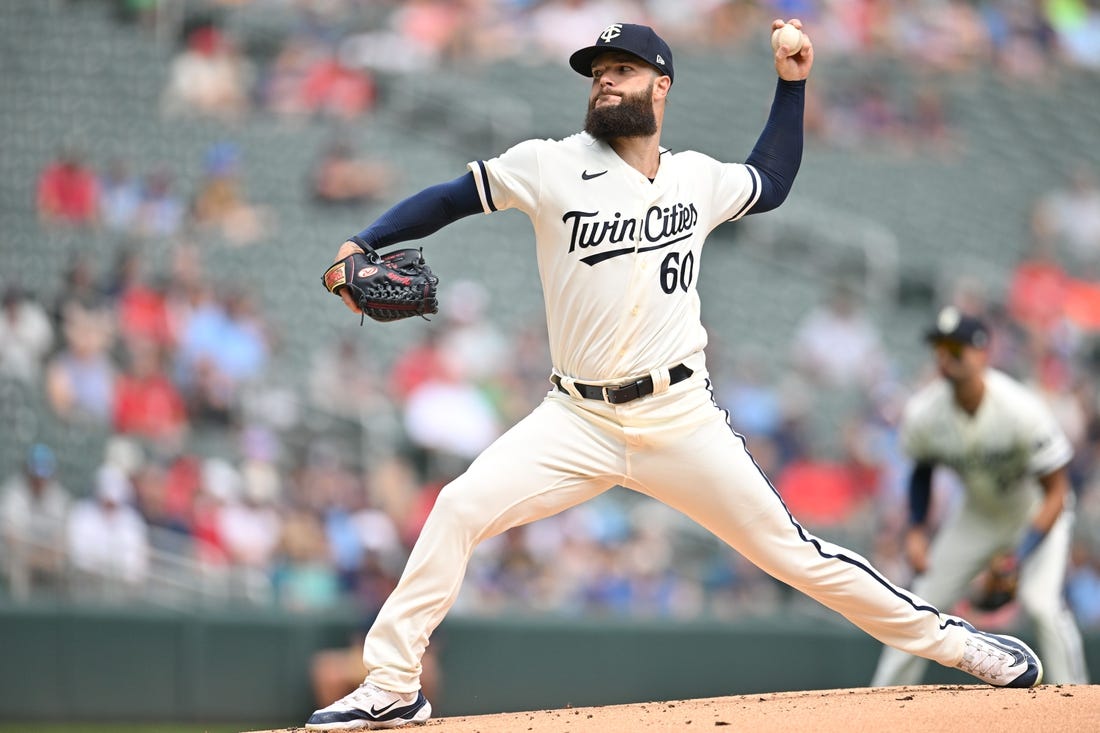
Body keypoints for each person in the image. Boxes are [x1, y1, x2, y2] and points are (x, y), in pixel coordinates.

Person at [307, 21, 1043, 731]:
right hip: (576, 420)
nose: (604, 83)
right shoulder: (548, 163)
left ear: (660, 85)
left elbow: (773, 179)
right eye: (597, 75)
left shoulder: (696, 178)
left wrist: (793, 84)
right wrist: (364, 240)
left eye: (620, 71)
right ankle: (393, 685)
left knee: (795, 554)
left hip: (680, 415)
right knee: (460, 506)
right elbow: (449, 197)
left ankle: (962, 646)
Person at [870, 306, 1090, 687]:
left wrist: (1016, 558)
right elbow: (922, 471)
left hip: (1034, 511)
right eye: (939, 348)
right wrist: (918, 529)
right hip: (977, 514)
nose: (945, 358)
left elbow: (1057, 489)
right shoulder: (925, 411)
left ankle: (1081, 702)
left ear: (982, 353)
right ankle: (879, 698)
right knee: (920, 602)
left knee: (1042, 605)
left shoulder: (1020, 408)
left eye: (955, 348)